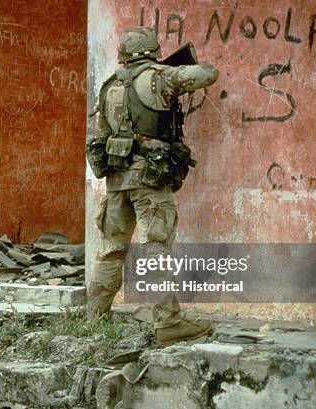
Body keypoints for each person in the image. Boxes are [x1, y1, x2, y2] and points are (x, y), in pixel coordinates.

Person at [86, 26, 219, 346]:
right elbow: (208, 74)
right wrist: (172, 66)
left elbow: (98, 135)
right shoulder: (161, 76)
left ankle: (95, 319)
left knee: (111, 249)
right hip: (150, 177)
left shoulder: (109, 85)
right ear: (152, 51)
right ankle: (168, 323)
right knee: (155, 248)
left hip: (117, 178)